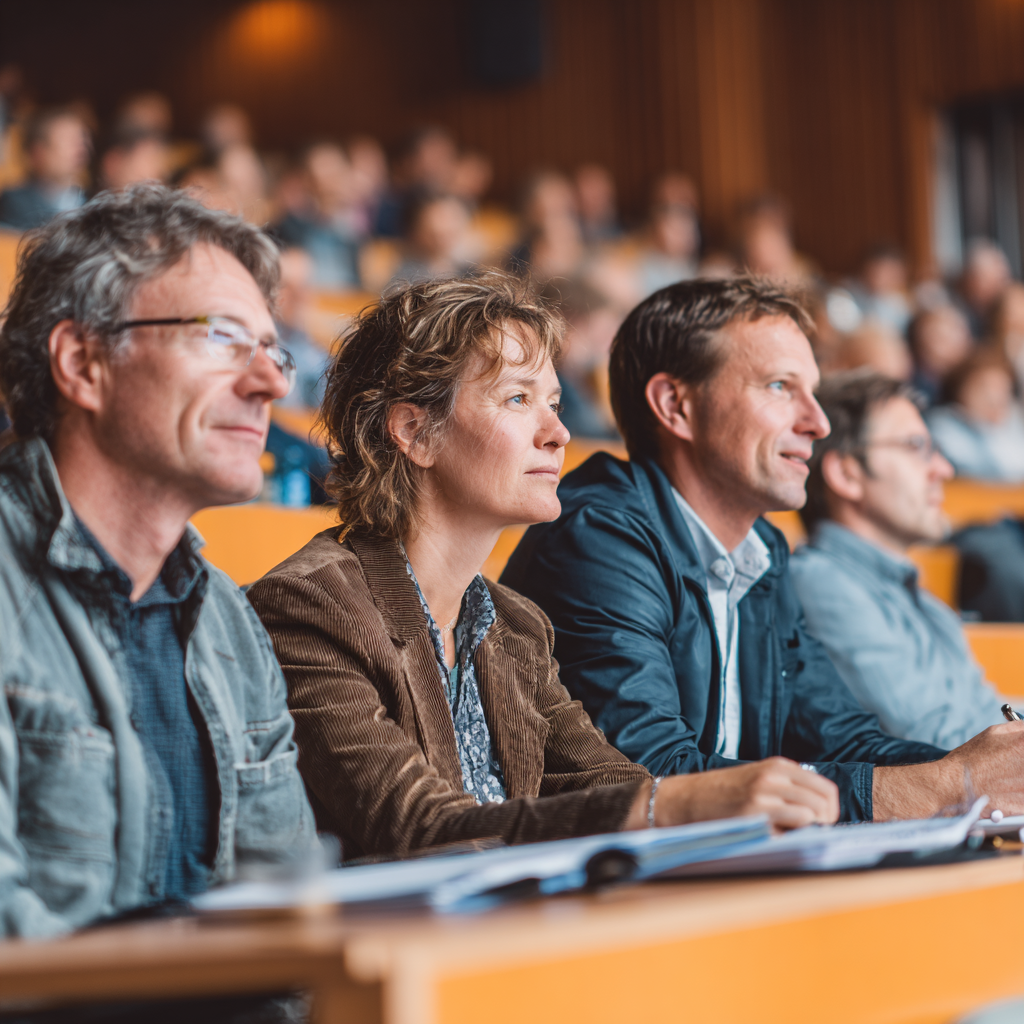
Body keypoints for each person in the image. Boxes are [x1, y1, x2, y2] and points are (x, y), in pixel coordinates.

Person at [247, 273, 841, 863]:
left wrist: (704, 803)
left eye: (555, 404)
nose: (558, 434)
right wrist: (683, 804)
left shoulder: (516, 625)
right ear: (413, 431)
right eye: (518, 399)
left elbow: (616, 788)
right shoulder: (309, 606)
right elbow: (419, 828)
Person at [502, 277, 1024, 823]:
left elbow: (842, 737)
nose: (817, 423)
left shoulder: (763, 549)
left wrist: (987, 774)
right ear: (675, 405)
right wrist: (948, 786)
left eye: (813, 392)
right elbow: (652, 782)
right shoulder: (599, 536)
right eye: (780, 387)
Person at [0, 184, 316, 942]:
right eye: (220, 337)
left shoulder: (230, 622)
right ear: (83, 362)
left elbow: (292, 932)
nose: (271, 382)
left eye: (272, 351)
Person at [790, 372, 1013, 748]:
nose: (943, 469)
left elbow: (993, 717)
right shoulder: (820, 584)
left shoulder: (925, 603)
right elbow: (944, 748)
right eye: (916, 446)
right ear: (847, 473)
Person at [927, 347, 1024, 482]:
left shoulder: (1011, 424)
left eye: (1003, 389)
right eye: (985, 388)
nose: (995, 397)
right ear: (962, 390)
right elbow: (980, 474)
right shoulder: (942, 425)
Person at [0, 107, 89, 230]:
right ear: (38, 152)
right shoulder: (14, 203)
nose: (80, 148)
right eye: (68, 140)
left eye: (81, 139)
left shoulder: (91, 203)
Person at [908, 304, 973, 407]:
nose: (955, 338)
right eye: (939, 334)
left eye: (956, 329)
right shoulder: (915, 388)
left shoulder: (970, 377)